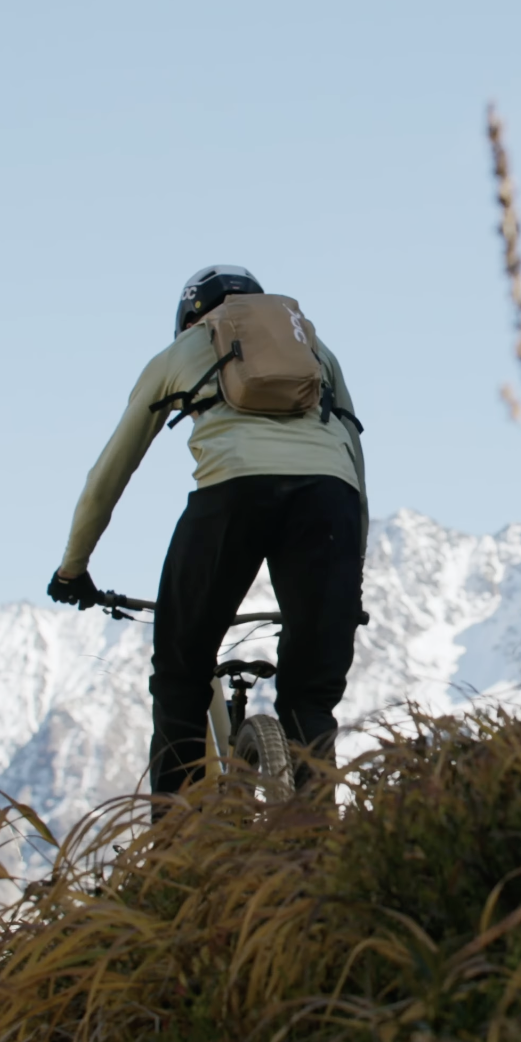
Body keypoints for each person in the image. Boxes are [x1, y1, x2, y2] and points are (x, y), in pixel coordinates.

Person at [47, 265, 367, 810]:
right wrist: (349, 575)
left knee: (181, 672)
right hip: (330, 500)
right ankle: (317, 843)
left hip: (232, 494)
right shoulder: (314, 349)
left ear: (191, 317)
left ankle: (176, 843)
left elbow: (110, 472)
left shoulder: (181, 352)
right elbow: (354, 456)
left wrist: (72, 567)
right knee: (311, 695)